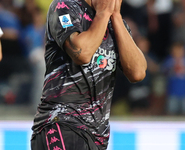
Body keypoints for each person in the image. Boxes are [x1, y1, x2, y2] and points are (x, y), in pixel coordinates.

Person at [31, 0, 147, 150]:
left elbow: (137, 72)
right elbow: (82, 54)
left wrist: (116, 17)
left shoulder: (117, 24)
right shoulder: (64, 7)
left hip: (97, 136)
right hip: (62, 125)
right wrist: (104, 14)